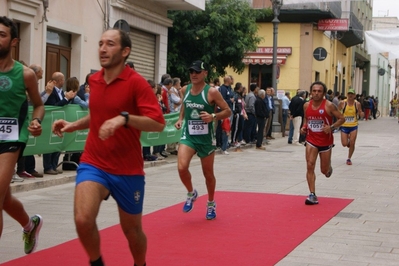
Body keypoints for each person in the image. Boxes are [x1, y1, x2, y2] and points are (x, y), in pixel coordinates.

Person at [52, 28, 165, 266]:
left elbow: (157, 123)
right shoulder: (94, 80)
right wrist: (72, 125)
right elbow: (98, 114)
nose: (103, 49)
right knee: (83, 219)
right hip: (94, 162)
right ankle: (97, 263)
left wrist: (124, 119)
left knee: (132, 231)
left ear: (125, 51)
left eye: (110, 44)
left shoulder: (138, 84)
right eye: (101, 43)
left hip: (127, 169)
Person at [0, 16, 45, 254]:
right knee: (4, 199)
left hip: (11, 139)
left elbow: (39, 104)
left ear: (14, 41)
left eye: (2, 35)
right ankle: (30, 225)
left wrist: (36, 120)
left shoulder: (25, 74)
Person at [175, 60, 231, 220]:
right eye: (191, 71)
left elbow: (227, 111)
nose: (193, 74)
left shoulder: (211, 92)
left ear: (205, 73)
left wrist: (213, 116)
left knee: (208, 174)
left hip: (206, 138)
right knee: (181, 167)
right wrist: (180, 119)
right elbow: (185, 105)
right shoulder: (185, 89)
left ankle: (211, 203)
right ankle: (191, 193)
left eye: (197, 72)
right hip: (189, 136)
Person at [300, 81, 345, 205]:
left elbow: (342, 119)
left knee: (324, 171)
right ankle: (312, 194)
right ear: (310, 92)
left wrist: (331, 127)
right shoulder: (306, 105)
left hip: (326, 141)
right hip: (311, 139)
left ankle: (328, 168)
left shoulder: (329, 105)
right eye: (314, 91)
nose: (316, 93)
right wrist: (304, 127)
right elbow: (306, 118)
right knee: (310, 164)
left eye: (319, 91)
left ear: (324, 93)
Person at [338, 89, 364, 165]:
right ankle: (348, 140)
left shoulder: (357, 104)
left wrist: (361, 114)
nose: (350, 95)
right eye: (349, 93)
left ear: (354, 95)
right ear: (347, 95)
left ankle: (349, 158)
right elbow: (337, 111)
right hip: (344, 125)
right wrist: (339, 118)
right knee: (344, 144)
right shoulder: (343, 103)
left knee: (352, 143)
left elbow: (360, 112)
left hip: (353, 125)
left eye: (352, 94)